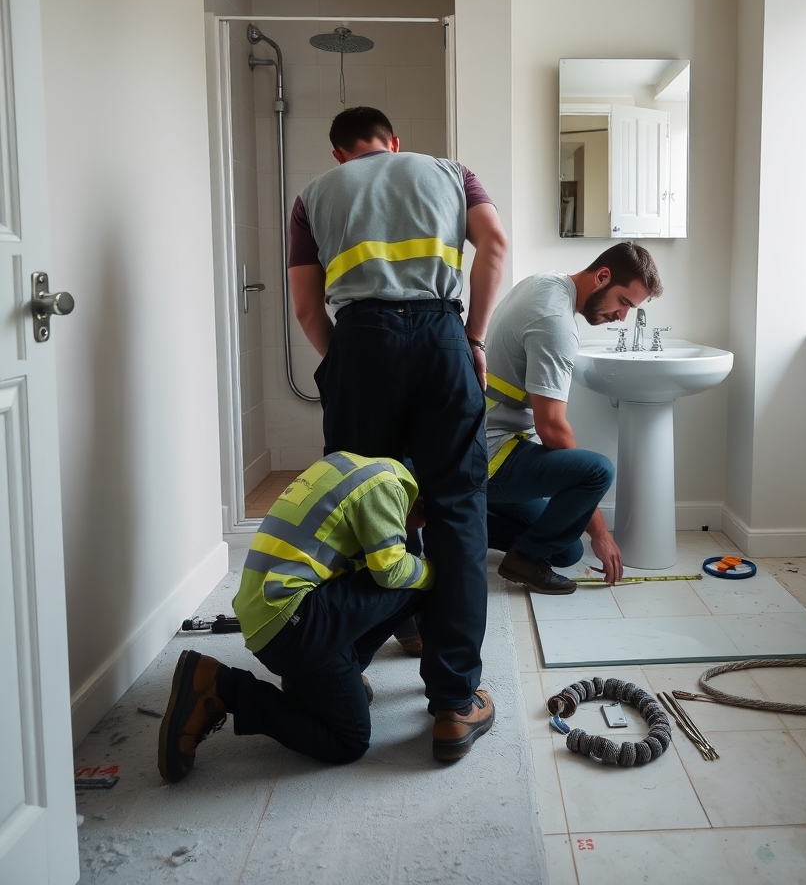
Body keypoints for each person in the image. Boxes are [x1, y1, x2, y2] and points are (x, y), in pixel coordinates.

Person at [287, 107, 507, 759]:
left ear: (339, 154)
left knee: (362, 511)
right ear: (394, 142)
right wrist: (474, 337)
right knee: (458, 513)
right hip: (442, 336)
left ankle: (343, 665)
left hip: (361, 343)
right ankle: (454, 705)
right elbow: (494, 245)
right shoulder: (453, 173)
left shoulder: (313, 197)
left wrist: (343, 364)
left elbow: (306, 306)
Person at [158, 453, 487, 780]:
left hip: (273, 616)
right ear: (423, 503)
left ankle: (322, 677)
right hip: (292, 622)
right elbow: (391, 570)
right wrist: (441, 573)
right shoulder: (386, 488)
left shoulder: (348, 465)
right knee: (348, 742)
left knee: (392, 579)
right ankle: (221, 686)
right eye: (426, 520)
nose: (420, 528)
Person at [485, 242, 663, 593]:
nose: (622, 316)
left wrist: (591, 527)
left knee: (567, 550)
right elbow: (551, 427)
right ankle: (523, 559)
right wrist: (601, 531)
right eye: (624, 302)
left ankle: (461, 519)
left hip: (486, 440)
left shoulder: (545, 283)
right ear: (602, 276)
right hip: (490, 454)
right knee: (598, 471)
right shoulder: (555, 323)